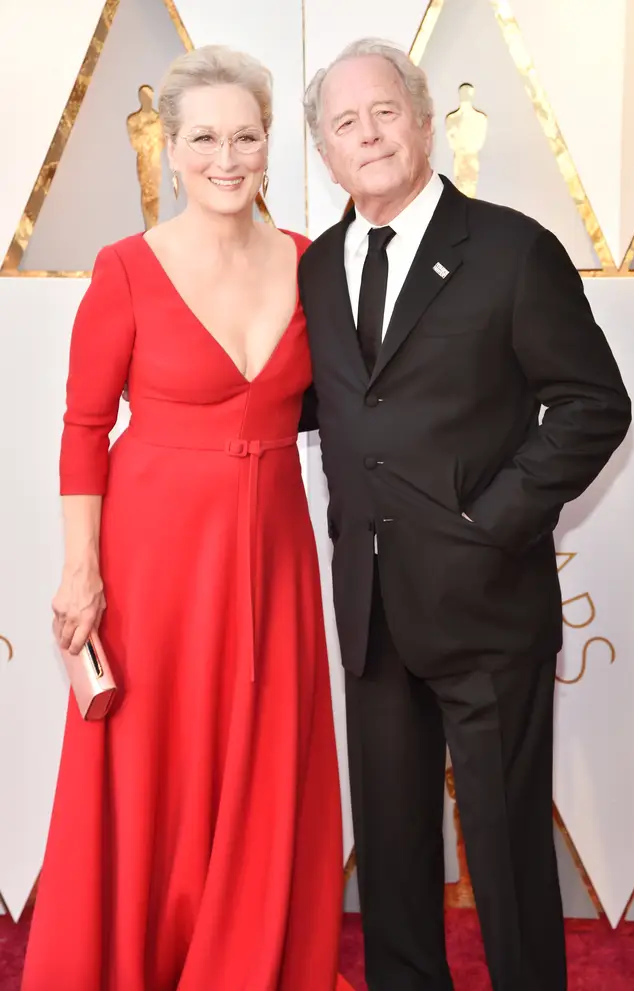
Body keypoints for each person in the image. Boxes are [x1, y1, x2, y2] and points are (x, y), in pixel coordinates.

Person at [299, 38, 632, 991]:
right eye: (344, 124)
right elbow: (323, 406)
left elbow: (594, 405)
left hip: (487, 607)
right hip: (371, 608)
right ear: (325, 153)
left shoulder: (512, 248)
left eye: (384, 112)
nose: (368, 136)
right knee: (396, 855)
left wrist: (491, 524)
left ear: (425, 118)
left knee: (504, 849)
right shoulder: (318, 270)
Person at [22, 45, 344, 991]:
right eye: (204, 136)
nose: (227, 157)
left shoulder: (309, 265)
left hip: (274, 548)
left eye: (246, 135)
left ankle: (247, 960)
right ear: (170, 149)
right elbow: (84, 430)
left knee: (262, 755)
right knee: (148, 767)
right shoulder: (125, 269)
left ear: (270, 145)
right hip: (154, 555)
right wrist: (81, 570)